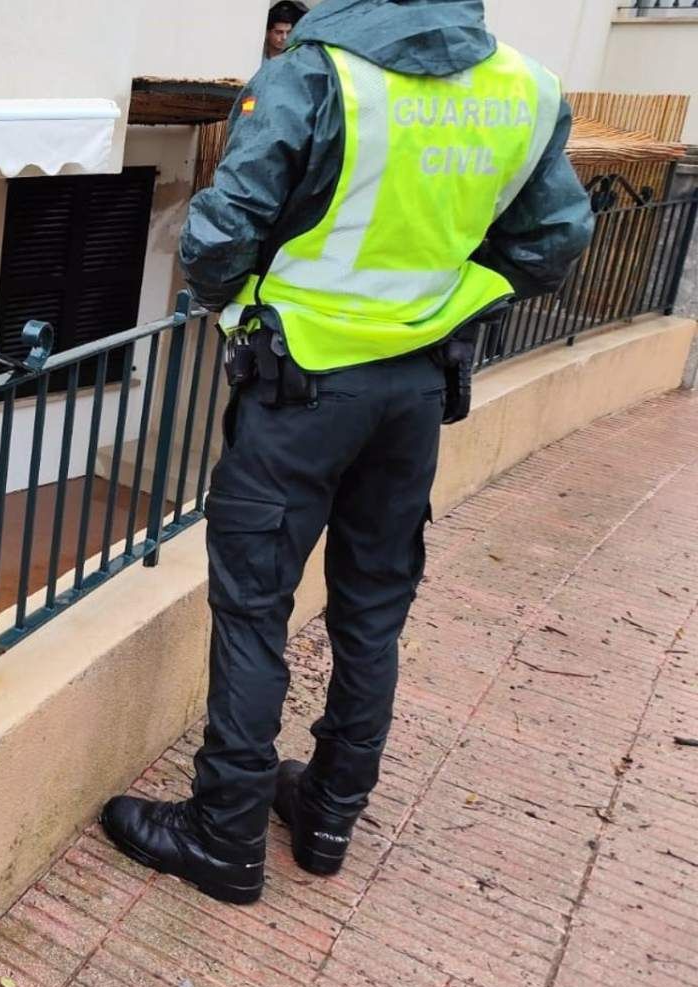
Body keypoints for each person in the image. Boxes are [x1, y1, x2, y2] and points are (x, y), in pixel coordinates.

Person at [101, 0, 593, 905]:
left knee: (253, 609)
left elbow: (218, 235)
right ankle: (328, 814)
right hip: (413, 392)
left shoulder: (317, 71)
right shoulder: (525, 87)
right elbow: (556, 239)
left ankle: (224, 835)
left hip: (304, 386)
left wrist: (236, 304)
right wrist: (449, 300)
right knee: (371, 609)